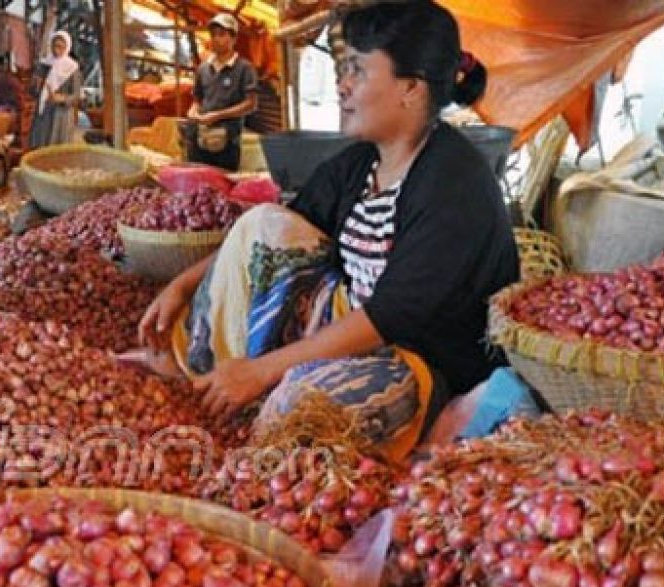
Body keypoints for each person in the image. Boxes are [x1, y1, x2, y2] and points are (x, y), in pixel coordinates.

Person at [138, 2, 518, 459]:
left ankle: (247, 385)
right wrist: (183, 285)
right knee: (263, 224)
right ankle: (216, 371)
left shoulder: (454, 184)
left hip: (415, 360)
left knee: (298, 413)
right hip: (344, 324)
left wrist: (263, 371)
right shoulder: (362, 161)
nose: (343, 85)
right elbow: (283, 225)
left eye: (357, 70)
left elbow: (388, 319)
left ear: (411, 88)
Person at [182, 13, 258, 171]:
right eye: (213, 34)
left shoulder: (244, 68)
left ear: (234, 39)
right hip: (200, 137)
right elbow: (197, 99)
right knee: (198, 179)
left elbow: (251, 104)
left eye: (222, 34)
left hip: (226, 140)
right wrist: (193, 111)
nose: (216, 39)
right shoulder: (203, 68)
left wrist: (218, 115)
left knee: (223, 183)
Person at [29, 31, 83, 149]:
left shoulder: (72, 68)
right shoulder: (44, 64)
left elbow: (77, 95)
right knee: (40, 146)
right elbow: (33, 92)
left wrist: (61, 98)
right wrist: (35, 86)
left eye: (60, 46)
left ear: (67, 47)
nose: (56, 50)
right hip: (43, 112)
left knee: (57, 149)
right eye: (54, 45)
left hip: (61, 115)